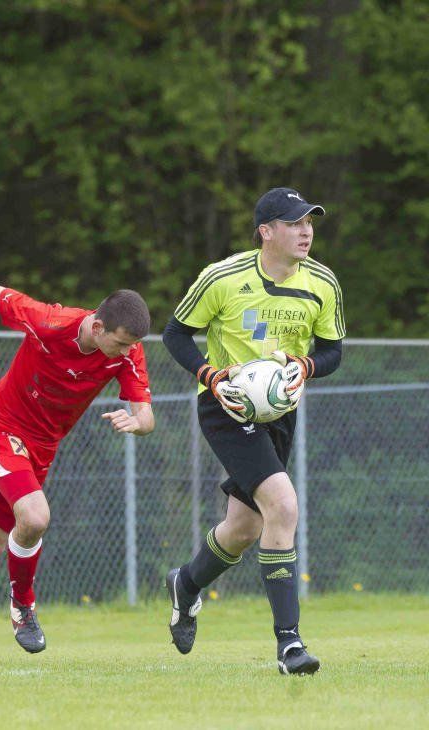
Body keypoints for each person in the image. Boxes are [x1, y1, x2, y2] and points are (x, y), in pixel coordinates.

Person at [0, 286, 155, 664]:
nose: (125, 352)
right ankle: (23, 604)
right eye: (120, 343)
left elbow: (147, 417)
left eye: (130, 346)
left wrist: (137, 423)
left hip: (40, 449)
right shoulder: (50, 322)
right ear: (98, 327)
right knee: (35, 517)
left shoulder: (128, 351)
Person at [161, 187, 345, 675]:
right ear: (266, 231)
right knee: (283, 505)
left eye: (309, 222)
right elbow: (175, 334)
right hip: (227, 406)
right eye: (294, 222)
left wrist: (306, 365)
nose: (306, 231)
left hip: (280, 413)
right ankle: (290, 645)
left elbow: (332, 351)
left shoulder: (323, 282)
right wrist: (210, 376)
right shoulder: (223, 277)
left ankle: (186, 583)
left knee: (244, 528)